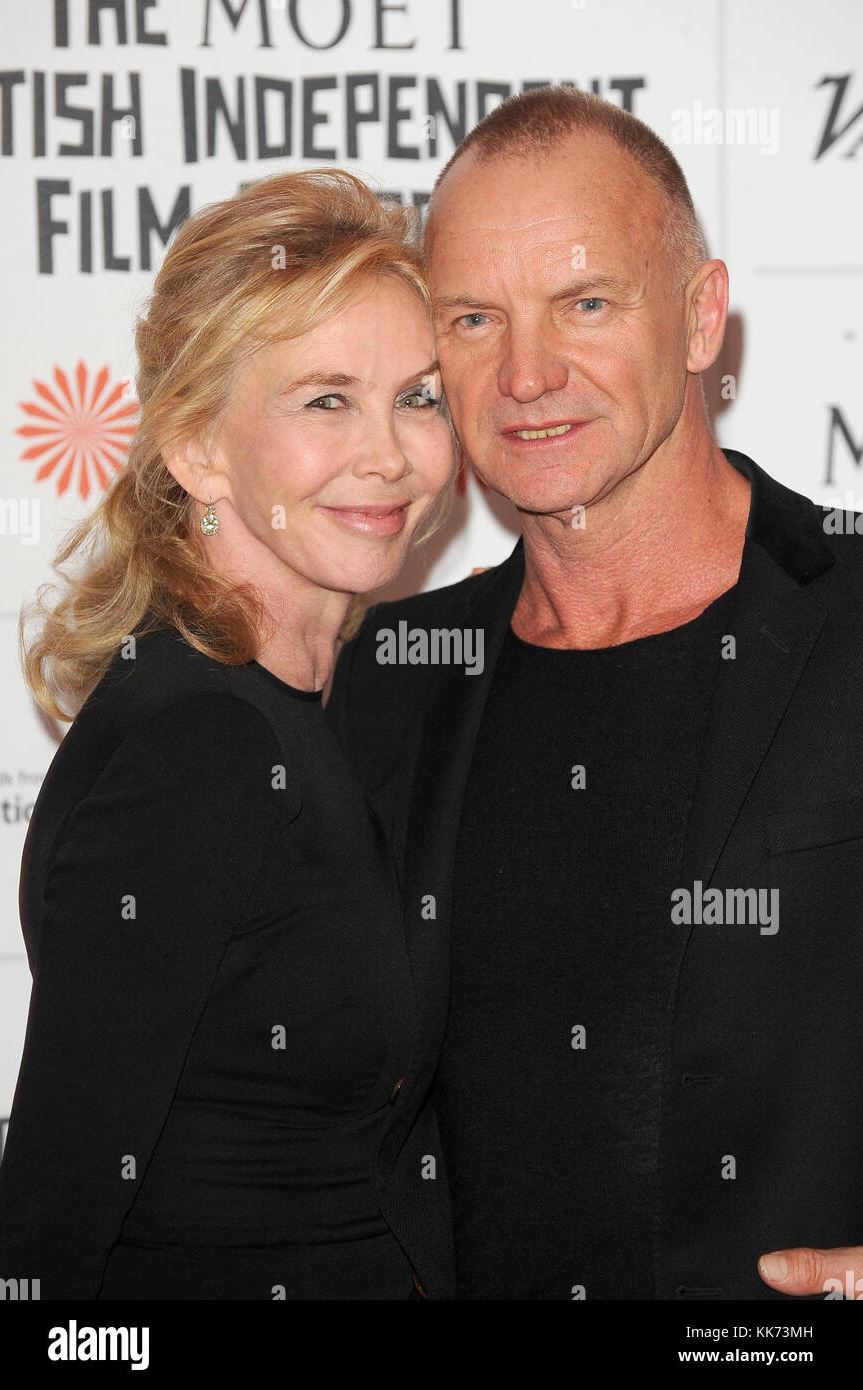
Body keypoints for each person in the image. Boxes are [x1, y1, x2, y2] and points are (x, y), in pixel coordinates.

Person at [327, 86, 863, 1300]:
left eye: (584, 302)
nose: (527, 373)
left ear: (698, 316)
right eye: (473, 318)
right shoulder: (385, 684)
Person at [0, 168, 456, 1300]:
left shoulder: (306, 706)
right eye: (325, 399)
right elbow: (54, 1219)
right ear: (197, 446)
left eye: (419, 395)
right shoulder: (199, 741)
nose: (389, 453)